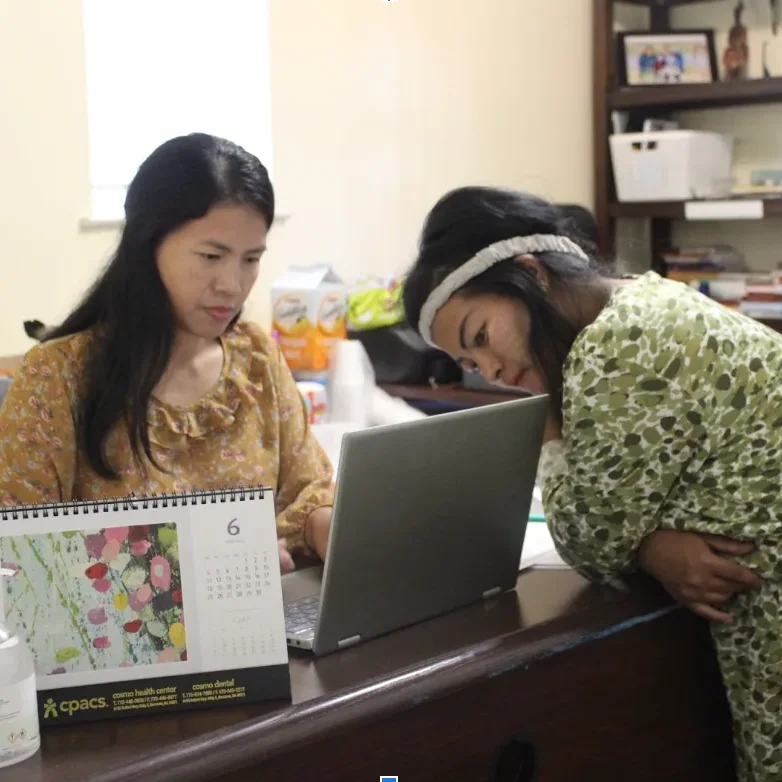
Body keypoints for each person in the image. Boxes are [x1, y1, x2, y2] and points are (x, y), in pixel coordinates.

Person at [402, 185, 782, 782]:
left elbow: (590, 536)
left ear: (531, 274)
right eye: (471, 366)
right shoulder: (647, 298)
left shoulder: (614, 350)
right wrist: (655, 545)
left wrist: (551, 428)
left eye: (481, 337)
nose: (493, 371)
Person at [0, 133, 334, 573]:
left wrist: (324, 526)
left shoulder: (256, 360)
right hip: (123, 639)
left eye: (250, 259)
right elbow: (18, 558)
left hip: (263, 634)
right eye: (211, 256)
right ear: (147, 246)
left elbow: (307, 489)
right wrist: (209, 564)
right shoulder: (59, 376)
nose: (232, 285)